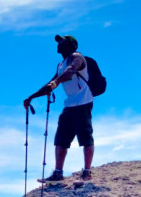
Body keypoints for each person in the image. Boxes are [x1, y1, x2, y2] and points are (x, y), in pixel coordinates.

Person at [23, 35, 94, 182]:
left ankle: (87, 172)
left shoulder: (77, 57)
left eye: (62, 42)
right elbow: (50, 83)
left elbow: (70, 71)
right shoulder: (60, 64)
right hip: (70, 104)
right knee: (61, 138)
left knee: (85, 137)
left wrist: (55, 83)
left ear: (72, 45)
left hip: (84, 102)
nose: (58, 44)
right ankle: (58, 173)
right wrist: (31, 97)